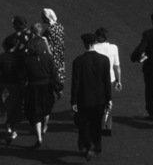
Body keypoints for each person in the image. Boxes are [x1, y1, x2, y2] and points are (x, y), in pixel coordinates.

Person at [71, 33, 112, 161]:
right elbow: (107, 81)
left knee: (84, 123)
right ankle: (96, 146)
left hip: (84, 98)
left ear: (84, 43)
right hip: (99, 98)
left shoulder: (78, 61)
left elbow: (75, 83)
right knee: (96, 123)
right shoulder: (104, 60)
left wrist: (73, 101)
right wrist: (109, 99)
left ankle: (87, 144)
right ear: (95, 43)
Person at [21, 37, 58, 147]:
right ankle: (45, 126)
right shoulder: (49, 58)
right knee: (46, 109)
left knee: (35, 113)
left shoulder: (27, 59)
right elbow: (54, 75)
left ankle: (39, 138)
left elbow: (23, 75)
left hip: (33, 88)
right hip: (46, 87)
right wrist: (58, 88)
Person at [90, 29, 121, 135]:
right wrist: (119, 80)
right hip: (110, 79)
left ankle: (97, 122)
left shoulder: (93, 47)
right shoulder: (114, 47)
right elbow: (116, 66)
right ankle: (107, 125)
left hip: (95, 80)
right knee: (108, 101)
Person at [0, 35, 23, 146]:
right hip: (16, 86)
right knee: (15, 108)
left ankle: (8, 129)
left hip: (3, 86)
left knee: (4, 107)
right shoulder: (20, 58)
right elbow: (23, 73)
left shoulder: (0, 57)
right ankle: (13, 128)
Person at [42, 9, 67, 85]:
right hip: (60, 55)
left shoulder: (49, 30)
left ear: (46, 18)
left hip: (52, 56)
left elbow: (47, 44)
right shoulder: (59, 27)